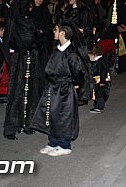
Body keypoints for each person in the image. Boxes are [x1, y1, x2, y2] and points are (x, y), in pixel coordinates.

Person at [30, 21, 88, 156]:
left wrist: (74, 84)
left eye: (55, 30)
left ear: (62, 33)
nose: (53, 33)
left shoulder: (71, 53)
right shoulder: (57, 49)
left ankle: (64, 145)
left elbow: (79, 72)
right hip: (53, 87)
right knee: (52, 115)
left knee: (63, 117)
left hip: (64, 90)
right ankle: (53, 142)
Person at [3, 0, 45, 139]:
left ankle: (24, 123)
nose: (31, 7)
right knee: (20, 91)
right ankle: (17, 124)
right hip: (23, 60)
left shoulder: (16, 19)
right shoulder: (21, 20)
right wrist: (37, 37)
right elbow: (30, 39)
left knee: (24, 91)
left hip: (22, 59)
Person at [88, 45, 111, 114]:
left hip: (102, 81)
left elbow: (103, 71)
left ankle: (99, 107)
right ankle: (96, 105)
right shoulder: (98, 61)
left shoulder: (101, 62)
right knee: (96, 93)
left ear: (93, 54)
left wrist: (102, 81)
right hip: (98, 80)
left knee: (101, 94)